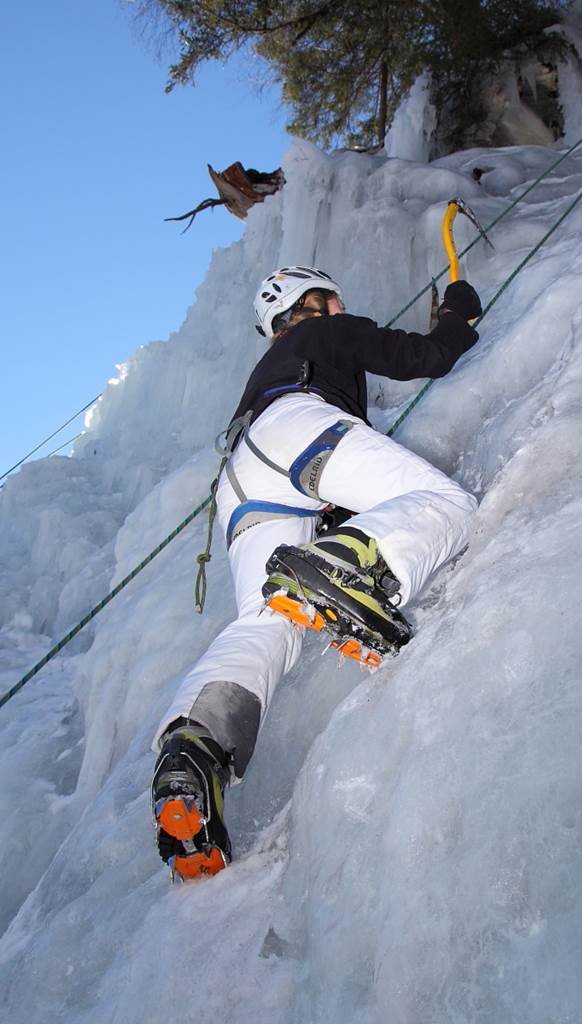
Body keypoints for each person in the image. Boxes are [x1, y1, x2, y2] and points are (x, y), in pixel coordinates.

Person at [151, 266, 482, 880]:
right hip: (300, 430)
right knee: (448, 505)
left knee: (265, 620)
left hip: (243, 478)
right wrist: (458, 313)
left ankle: (194, 751)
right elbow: (426, 356)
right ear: (314, 304)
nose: (343, 305)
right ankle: (354, 567)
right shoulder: (322, 334)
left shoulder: (272, 364)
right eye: (335, 298)